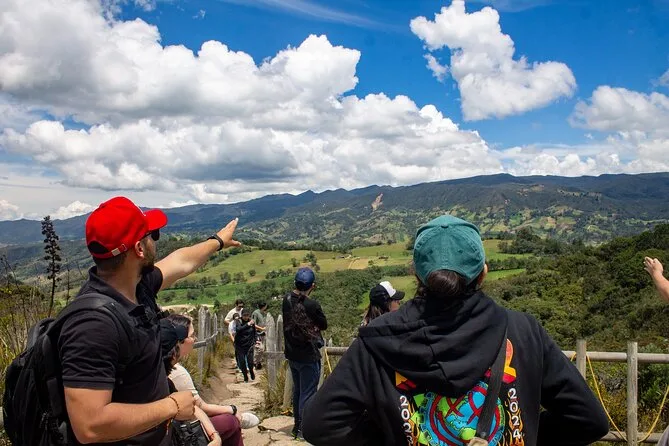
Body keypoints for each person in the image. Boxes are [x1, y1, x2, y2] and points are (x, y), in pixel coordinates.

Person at [302, 215, 608, 446]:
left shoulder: (377, 341)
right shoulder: (523, 331)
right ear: (483, 274)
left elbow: (319, 427)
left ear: (416, 274)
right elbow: (590, 421)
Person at [58, 196, 241, 445]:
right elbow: (90, 425)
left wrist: (217, 242)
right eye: (152, 235)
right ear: (139, 249)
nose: (156, 241)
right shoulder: (93, 325)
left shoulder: (136, 287)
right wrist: (172, 406)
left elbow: (181, 261)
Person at [160, 314, 260, 446]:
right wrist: (232, 410)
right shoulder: (177, 374)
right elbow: (200, 406)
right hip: (179, 431)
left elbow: (194, 407)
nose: (195, 339)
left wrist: (215, 434)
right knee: (231, 422)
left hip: (179, 426)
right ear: (178, 342)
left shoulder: (168, 373)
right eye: (192, 335)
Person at [282, 267, 328, 440]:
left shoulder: (286, 300)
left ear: (295, 283)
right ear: (312, 286)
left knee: (298, 391)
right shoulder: (312, 305)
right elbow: (323, 324)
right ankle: (303, 430)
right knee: (308, 393)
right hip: (308, 355)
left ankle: (297, 426)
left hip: (292, 355)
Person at [233, 309, 258, 383]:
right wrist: (247, 324)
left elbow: (254, 332)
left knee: (250, 362)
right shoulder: (238, 321)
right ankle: (245, 376)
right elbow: (238, 329)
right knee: (242, 362)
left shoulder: (252, 322)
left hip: (249, 345)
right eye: (244, 315)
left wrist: (256, 340)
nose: (246, 317)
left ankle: (251, 371)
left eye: (247, 315)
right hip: (240, 345)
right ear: (242, 315)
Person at [251, 302, 268, 369]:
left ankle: (258, 363)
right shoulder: (255, 313)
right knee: (259, 348)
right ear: (264, 306)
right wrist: (261, 328)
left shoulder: (263, 313)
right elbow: (253, 324)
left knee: (262, 349)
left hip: (263, 334)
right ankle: (254, 363)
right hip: (257, 333)